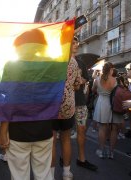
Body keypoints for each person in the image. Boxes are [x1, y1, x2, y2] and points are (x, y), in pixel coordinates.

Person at [0, 28, 65, 180]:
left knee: (19, 176)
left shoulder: (12, 65)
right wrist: (68, 31)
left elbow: (6, 99)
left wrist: (3, 130)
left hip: (17, 131)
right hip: (44, 129)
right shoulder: (53, 65)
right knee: (44, 175)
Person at [50, 36, 82, 180]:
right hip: (68, 106)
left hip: (52, 106)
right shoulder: (74, 62)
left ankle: (50, 174)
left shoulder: (54, 60)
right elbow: (77, 85)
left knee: (51, 141)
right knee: (66, 139)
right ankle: (67, 172)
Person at [73, 36, 98, 171]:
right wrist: (77, 80)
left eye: (77, 42)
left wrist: (79, 81)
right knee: (62, 134)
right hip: (64, 102)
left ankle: (81, 159)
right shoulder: (61, 62)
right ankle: (64, 161)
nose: (76, 45)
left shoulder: (81, 63)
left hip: (80, 102)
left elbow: (85, 80)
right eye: (73, 42)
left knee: (81, 130)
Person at [92, 62, 117, 158]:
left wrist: (100, 91)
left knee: (102, 128)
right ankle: (111, 152)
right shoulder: (115, 80)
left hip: (101, 102)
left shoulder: (97, 79)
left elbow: (93, 90)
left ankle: (101, 150)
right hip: (111, 103)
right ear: (111, 70)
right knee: (112, 129)